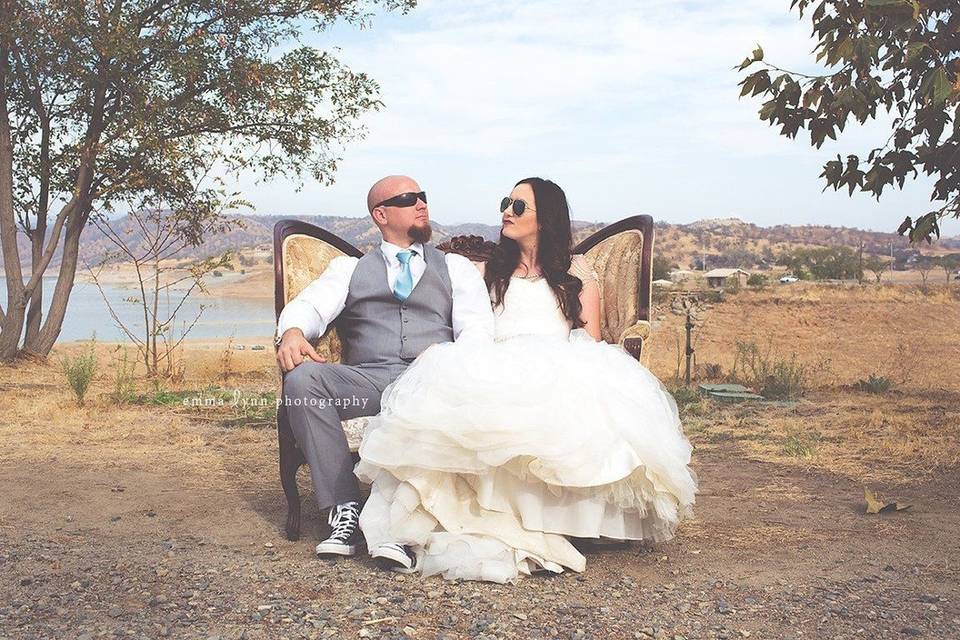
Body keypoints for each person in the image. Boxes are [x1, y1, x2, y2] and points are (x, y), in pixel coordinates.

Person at [355, 177, 699, 583]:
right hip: (493, 362)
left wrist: (561, 370)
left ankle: (572, 521)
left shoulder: (574, 272)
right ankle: (486, 518)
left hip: (561, 362)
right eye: (506, 202)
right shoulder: (486, 269)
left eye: (518, 207)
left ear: (545, 218)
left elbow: (589, 340)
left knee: (571, 406)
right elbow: (468, 321)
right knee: (474, 411)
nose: (506, 212)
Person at [275, 175, 494, 563]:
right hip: (368, 381)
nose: (422, 204)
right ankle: (344, 509)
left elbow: (476, 332)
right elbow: (310, 306)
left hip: (433, 381)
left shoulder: (455, 268)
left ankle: (403, 523)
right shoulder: (348, 269)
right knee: (303, 378)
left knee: (440, 388)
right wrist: (293, 331)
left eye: (423, 196)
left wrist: (446, 367)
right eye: (410, 199)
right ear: (381, 214)